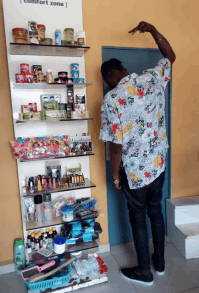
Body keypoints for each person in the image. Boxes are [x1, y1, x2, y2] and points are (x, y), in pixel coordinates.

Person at [100, 21, 176, 285]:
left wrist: (114, 177)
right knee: (156, 211)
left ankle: (144, 271)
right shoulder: (152, 78)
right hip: (158, 164)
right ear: (122, 70)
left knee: (138, 218)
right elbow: (170, 56)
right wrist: (154, 31)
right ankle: (160, 262)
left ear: (108, 79)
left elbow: (115, 146)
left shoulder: (111, 100)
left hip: (134, 173)